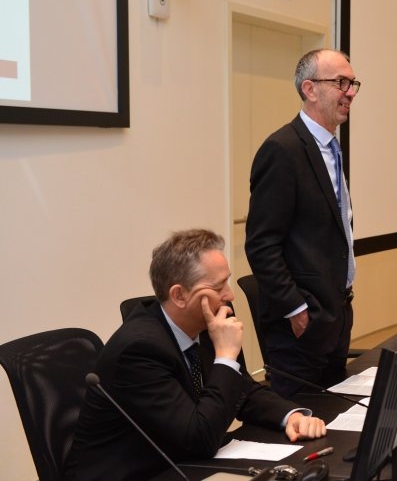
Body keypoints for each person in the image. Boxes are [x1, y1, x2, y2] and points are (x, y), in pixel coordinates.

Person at [64, 229, 326, 480]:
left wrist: (290, 416)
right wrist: (226, 356)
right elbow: (199, 439)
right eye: (219, 287)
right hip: (136, 474)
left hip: (180, 463)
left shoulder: (203, 324)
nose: (230, 295)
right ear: (179, 295)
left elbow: (241, 390)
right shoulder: (138, 350)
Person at [245, 49, 360, 398]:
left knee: (335, 419)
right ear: (310, 89)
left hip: (335, 316)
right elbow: (261, 244)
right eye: (341, 83)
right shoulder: (282, 149)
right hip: (301, 330)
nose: (350, 93)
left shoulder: (331, 149)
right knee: (303, 422)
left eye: (353, 84)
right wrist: (296, 309)